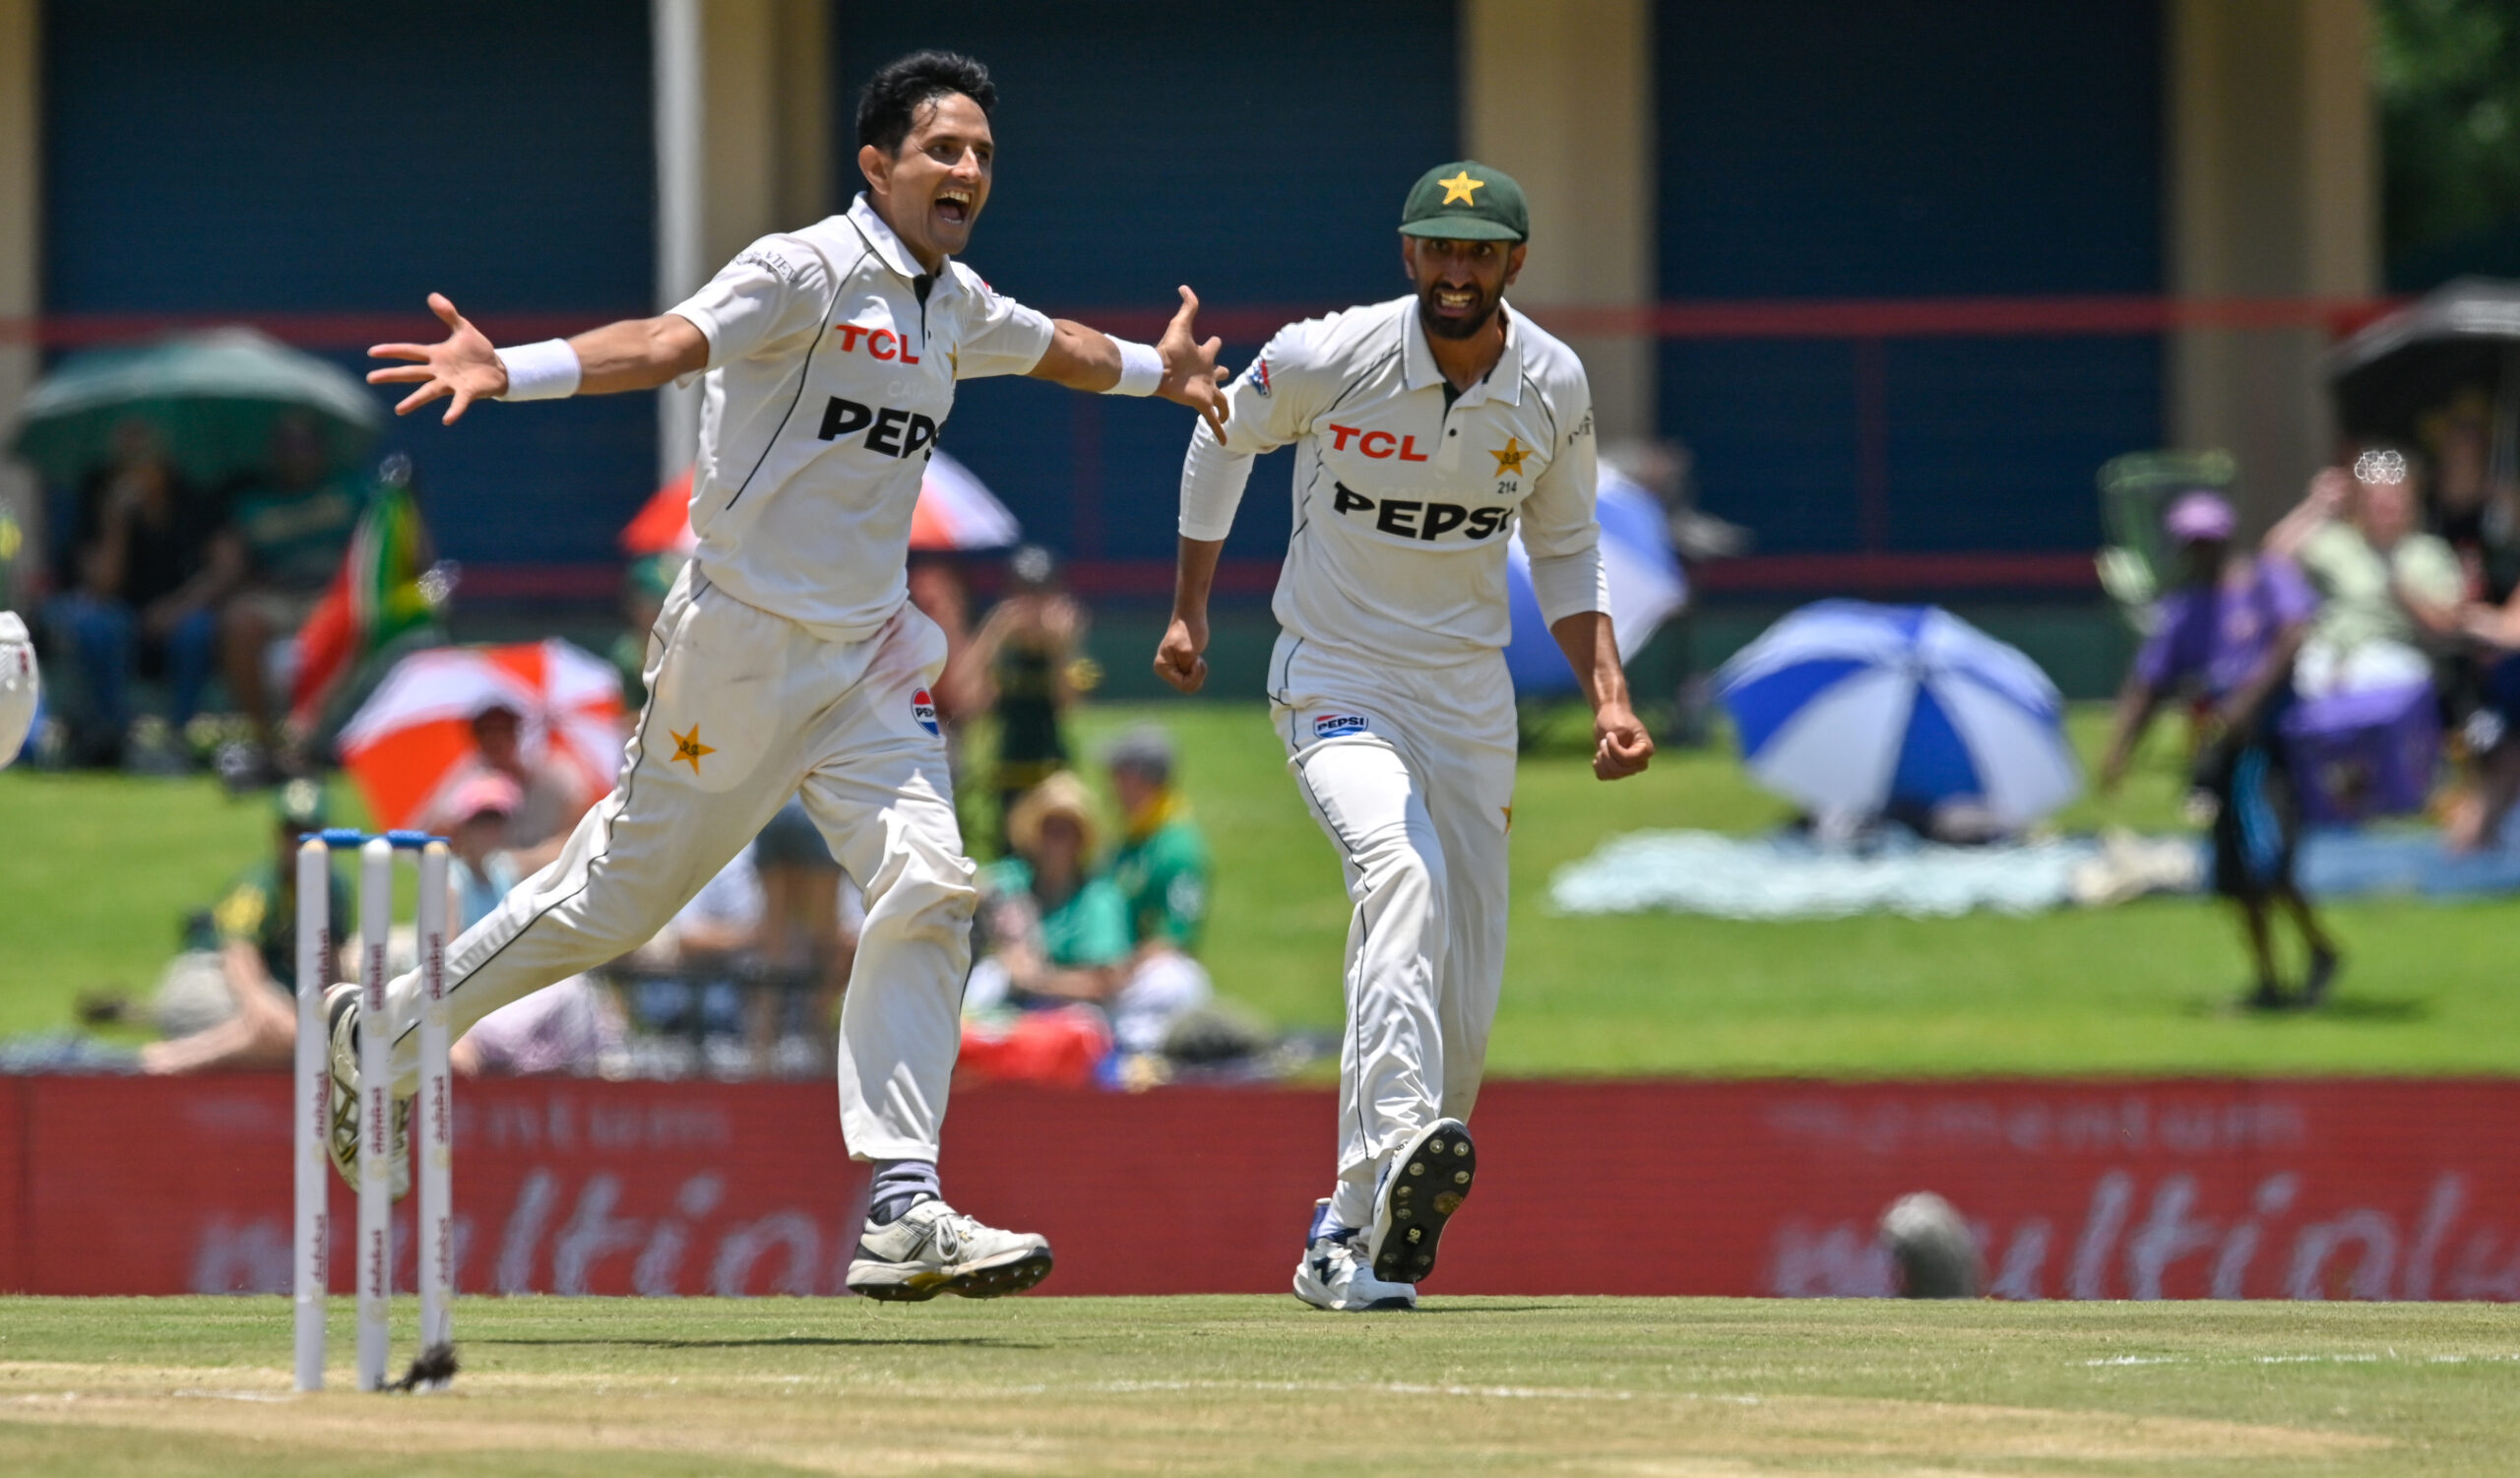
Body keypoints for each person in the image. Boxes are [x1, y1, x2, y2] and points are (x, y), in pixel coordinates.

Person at [349, 49, 1228, 1301]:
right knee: (617, 904)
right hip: (740, 649)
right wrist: (515, 369)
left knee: (933, 881)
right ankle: (383, 1029)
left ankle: (901, 1204)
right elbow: (663, 343)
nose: (967, 169)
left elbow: (1060, 350)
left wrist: (1160, 372)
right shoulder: (799, 269)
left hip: (868, 656)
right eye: (942, 149)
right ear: (878, 164)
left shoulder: (954, 300)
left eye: (980, 152)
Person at [1154, 161, 1654, 1311]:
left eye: (1479, 253)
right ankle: (1390, 1150)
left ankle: (1354, 1230)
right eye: (1439, 248)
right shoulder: (1331, 353)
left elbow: (1567, 545)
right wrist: (1190, 609)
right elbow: (1223, 438)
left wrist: (1611, 695)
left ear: (1514, 265)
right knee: (1399, 875)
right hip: (1333, 673)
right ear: (1408, 255)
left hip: (1468, 697)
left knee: (1465, 997)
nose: (1457, 270)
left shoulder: (1552, 384)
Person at [2100, 491, 2340, 1011]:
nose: (2200, 552)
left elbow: (2295, 633)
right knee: (2236, 874)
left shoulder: (2264, 580)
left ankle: (2319, 949)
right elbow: (2149, 683)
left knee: (2270, 859)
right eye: (2191, 544)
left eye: (2207, 542)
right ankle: (2269, 980)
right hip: (2223, 753)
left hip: (2272, 746)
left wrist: (2248, 699)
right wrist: (2119, 749)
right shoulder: (2185, 609)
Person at [966, 771, 1212, 1057]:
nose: (1055, 840)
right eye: (1049, 828)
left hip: (1076, 1014)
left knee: (1178, 980)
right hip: (1011, 1007)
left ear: (1081, 839)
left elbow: (1105, 981)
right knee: (988, 976)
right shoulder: (1017, 877)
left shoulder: (1099, 896)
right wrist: (1006, 932)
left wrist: (1036, 980)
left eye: (1066, 830)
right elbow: (969, 887)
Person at [45, 421, 236, 767]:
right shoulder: (96, 499)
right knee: (98, 628)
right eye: (127, 460)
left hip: (179, 616)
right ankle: (113, 736)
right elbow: (102, 585)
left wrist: (176, 608)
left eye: (144, 458)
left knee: (198, 629)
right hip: (121, 618)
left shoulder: (193, 500)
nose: (136, 469)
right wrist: (115, 522)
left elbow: (226, 568)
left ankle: (180, 737)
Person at [139, 781, 345, 1075]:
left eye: (309, 833)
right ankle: (165, 1061)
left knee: (307, 1034)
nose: (299, 844)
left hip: (260, 989)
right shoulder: (259, 886)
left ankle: (166, 1059)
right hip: (209, 978)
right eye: (291, 833)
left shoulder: (333, 890)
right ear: (276, 836)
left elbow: (331, 962)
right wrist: (259, 1003)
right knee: (290, 1033)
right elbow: (237, 952)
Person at [219, 414, 369, 778]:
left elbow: (384, 550)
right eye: (287, 446)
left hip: (336, 597)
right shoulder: (252, 503)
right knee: (239, 620)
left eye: (305, 445)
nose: (297, 454)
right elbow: (234, 570)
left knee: (362, 620)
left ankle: (333, 740)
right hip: (280, 596)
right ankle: (267, 744)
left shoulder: (352, 491)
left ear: (321, 450)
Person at [2264, 450, 2462, 698]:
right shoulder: (2339, 542)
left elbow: (2449, 627)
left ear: (2410, 500)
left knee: (2370, 675)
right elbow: (2273, 555)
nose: (2385, 504)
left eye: (2394, 495)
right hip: (2326, 658)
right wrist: (2316, 506)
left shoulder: (2429, 553)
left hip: (2394, 660)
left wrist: (2405, 595)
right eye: (2376, 495)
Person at [965, 545, 1086, 847]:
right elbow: (971, 702)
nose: (1032, 606)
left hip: (1052, 769)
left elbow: (1069, 705)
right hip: (1009, 770)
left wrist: (1062, 651)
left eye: (1041, 594)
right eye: (1023, 594)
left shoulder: (1066, 646)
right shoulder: (1000, 646)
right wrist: (991, 639)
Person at [443, 703, 596, 871]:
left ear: (516, 734)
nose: (495, 740)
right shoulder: (469, 783)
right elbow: (447, 833)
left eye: (503, 731)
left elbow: (579, 827)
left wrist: (525, 860)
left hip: (551, 874)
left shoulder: (555, 776)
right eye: (486, 732)